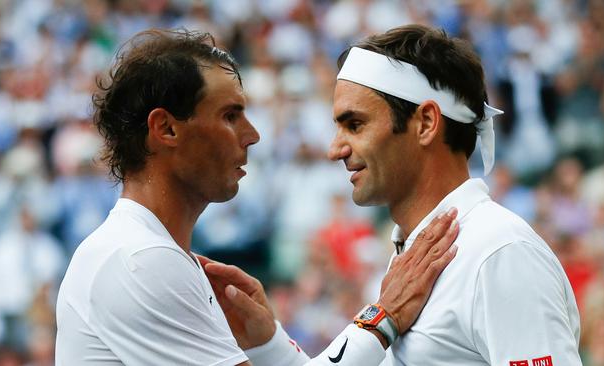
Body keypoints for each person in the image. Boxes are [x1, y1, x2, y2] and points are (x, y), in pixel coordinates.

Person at [54, 28, 460, 365]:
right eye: (230, 116)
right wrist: (383, 317)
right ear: (166, 129)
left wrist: (269, 344)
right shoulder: (140, 260)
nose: (253, 135)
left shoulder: (149, 253)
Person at [206, 24, 582, 365]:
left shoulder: (499, 251)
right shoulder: (417, 256)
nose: (335, 149)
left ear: (426, 123)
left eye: (355, 124)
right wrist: (269, 342)